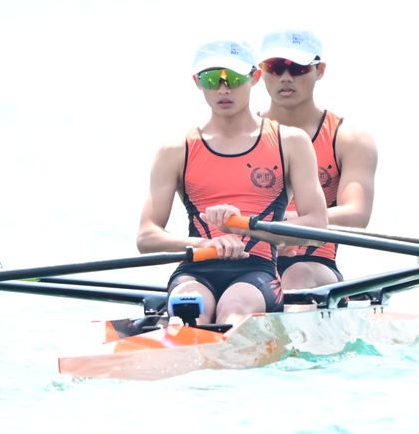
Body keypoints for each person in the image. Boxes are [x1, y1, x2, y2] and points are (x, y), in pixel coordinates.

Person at [136, 38, 328, 327]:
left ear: (255, 77)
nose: (223, 89)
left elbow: (317, 228)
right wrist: (205, 242)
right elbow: (146, 236)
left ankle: (216, 338)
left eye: (234, 78)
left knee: (233, 308)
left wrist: (242, 226)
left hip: (257, 272)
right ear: (197, 82)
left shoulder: (290, 142)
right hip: (194, 270)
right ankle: (188, 337)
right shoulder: (175, 149)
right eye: (212, 79)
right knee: (191, 308)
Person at [258, 29, 378, 289]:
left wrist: (285, 223)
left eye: (298, 67)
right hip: (247, 261)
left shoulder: (349, 138)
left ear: (319, 70)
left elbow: (356, 214)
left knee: (297, 274)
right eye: (275, 67)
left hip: (311, 264)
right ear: (260, 72)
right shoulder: (239, 137)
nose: (286, 77)